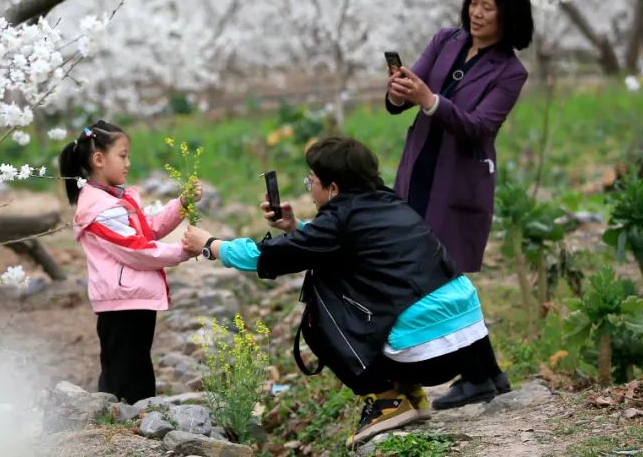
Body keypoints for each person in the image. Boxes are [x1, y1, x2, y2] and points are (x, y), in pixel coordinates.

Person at [182, 137, 504, 447]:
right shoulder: (391, 202)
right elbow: (337, 244)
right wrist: (296, 228)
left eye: (312, 183)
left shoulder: (340, 220)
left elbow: (269, 257)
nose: (310, 192)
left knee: (320, 300)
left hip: (427, 357)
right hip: (469, 345)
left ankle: (385, 399)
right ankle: (410, 395)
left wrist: (211, 246)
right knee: (364, 281)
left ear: (333, 188)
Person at [385, 0, 534, 408]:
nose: (477, 13)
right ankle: (486, 376)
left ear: (509, 16)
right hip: (419, 170)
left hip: (457, 183)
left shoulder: (510, 72)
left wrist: (429, 100)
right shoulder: (446, 40)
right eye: (474, 2)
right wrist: (398, 91)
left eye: (488, 7)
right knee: (438, 277)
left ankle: (479, 375)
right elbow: (407, 96)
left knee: (441, 277)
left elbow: (479, 128)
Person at [59, 120, 200, 405]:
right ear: (99, 160)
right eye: (122, 156)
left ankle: (132, 421)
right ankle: (125, 426)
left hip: (130, 299)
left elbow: (146, 229)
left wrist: (181, 205)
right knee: (126, 374)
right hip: (123, 301)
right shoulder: (100, 209)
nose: (128, 163)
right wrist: (184, 251)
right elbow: (137, 249)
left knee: (132, 367)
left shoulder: (113, 200)